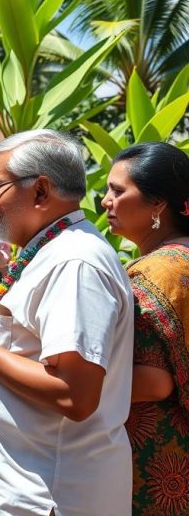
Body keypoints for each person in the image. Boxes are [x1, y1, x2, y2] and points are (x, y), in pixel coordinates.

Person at [0, 131, 134, 515]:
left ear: (41, 191)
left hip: (45, 493)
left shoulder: (74, 263)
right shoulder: (48, 249)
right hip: (18, 485)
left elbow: (73, 395)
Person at [103, 142, 189, 515]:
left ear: (158, 205)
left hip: (162, 447)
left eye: (118, 191)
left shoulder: (155, 273)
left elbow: (155, 382)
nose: (106, 200)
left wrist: (71, 385)